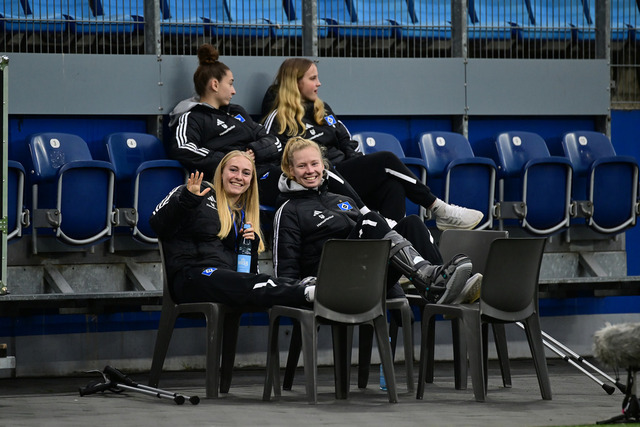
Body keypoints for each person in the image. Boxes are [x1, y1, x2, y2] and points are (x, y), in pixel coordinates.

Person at [263, 57, 483, 229]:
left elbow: (346, 141)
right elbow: (277, 159)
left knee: (393, 187)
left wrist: (360, 165)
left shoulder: (323, 110)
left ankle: (395, 248)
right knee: (386, 159)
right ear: (295, 82)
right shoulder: (279, 119)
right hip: (321, 180)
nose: (319, 83)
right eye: (313, 78)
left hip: (346, 173)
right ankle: (440, 209)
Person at [273, 137, 482, 305]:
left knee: (411, 223)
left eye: (314, 164)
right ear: (290, 170)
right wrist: (303, 290)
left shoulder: (343, 200)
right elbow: (285, 271)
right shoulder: (288, 210)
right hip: (328, 283)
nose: (310, 171)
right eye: (302, 166)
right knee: (370, 220)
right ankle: (429, 278)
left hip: (364, 275)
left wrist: (398, 298)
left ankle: (442, 286)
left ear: (323, 165)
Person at [166, 44, 363, 208]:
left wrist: (253, 150)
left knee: (316, 176)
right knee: (308, 179)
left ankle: (360, 215)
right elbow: (184, 148)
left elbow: (272, 140)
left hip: (265, 168)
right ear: (215, 85)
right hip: (242, 179)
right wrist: (234, 160)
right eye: (230, 83)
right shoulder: (191, 117)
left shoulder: (237, 113)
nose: (234, 91)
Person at [149, 150, 315, 307]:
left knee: (248, 282)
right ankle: (303, 292)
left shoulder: (243, 216)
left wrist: (251, 247)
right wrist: (187, 201)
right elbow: (156, 224)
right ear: (221, 173)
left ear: (251, 181)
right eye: (233, 170)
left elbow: (248, 275)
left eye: (246, 173)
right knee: (239, 281)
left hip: (226, 281)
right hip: (191, 277)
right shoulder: (196, 192)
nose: (239, 177)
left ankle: (304, 288)